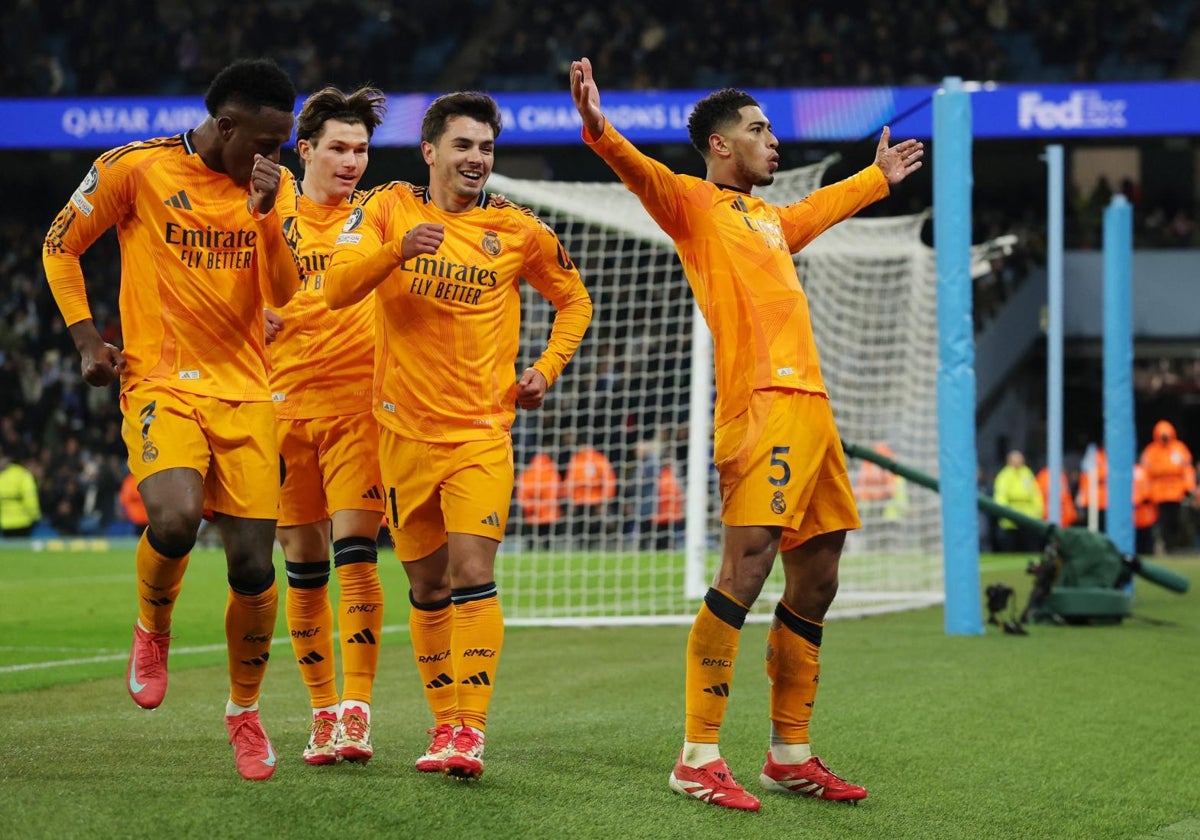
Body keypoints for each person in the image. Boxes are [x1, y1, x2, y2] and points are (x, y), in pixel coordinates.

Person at [570, 56, 924, 811]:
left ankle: (789, 753)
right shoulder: (693, 204)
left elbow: (812, 213)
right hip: (758, 407)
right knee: (747, 567)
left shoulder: (768, 220)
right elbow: (637, 171)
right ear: (721, 145)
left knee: (820, 575)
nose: (774, 142)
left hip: (812, 407)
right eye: (759, 130)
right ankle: (697, 755)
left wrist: (876, 178)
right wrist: (598, 127)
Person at [42, 58, 302, 781]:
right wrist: (88, 338)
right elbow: (60, 245)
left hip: (247, 392)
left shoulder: (275, 190)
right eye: (266, 142)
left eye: (282, 145)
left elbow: (286, 291)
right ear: (226, 126)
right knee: (176, 519)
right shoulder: (137, 169)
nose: (274, 157)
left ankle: (244, 714)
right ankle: (152, 628)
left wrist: (266, 216)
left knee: (254, 565)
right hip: (162, 382)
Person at [323, 91, 593, 780]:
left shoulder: (519, 230)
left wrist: (544, 369)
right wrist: (394, 252)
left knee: (473, 574)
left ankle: (470, 729)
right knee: (427, 587)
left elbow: (574, 300)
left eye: (487, 148)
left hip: (479, 432)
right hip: (399, 433)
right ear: (431, 151)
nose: (477, 158)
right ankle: (443, 725)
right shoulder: (387, 208)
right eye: (465, 146)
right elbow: (336, 288)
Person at [267, 86, 388, 766]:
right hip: (279, 411)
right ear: (304, 148)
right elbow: (222, 274)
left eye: (361, 149)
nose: (351, 162)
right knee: (304, 570)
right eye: (338, 148)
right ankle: (319, 713)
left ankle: (357, 712)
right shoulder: (270, 204)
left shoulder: (376, 212)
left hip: (357, 410)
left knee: (356, 558)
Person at [1139, 420, 1196, 553]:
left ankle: (1178, 546)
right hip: (1158, 494)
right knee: (1162, 523)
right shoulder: (1151, 451)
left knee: (1179, 521)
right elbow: (1145, 474)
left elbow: (1187, 470)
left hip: (1177, 493)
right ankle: (1166, 546)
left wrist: (1189, 488)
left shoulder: (1179, 448)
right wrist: (1146, 494)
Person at [563, 440, 618, 548]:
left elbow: (569, 482)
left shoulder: (578, 460)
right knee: (590, 527)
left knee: (585, 527)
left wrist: (570, 500)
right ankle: (594, 548)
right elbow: (609, 481)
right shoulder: (598, 459)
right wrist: (605, 500)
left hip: (585, 501)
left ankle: (586, 547)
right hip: (593, 501)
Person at [992, 450, 1044, 553]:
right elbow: (1001, 495)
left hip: (1028, 517)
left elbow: (1035, 494)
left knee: (1029, 548)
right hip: (1010, 521)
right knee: (1011, 549)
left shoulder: (1027, 473)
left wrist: (1038, 511)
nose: (1018, 462)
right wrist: (1006, 512)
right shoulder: (1004, 475)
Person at [515, 449, 564, 550]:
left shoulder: (527, 474)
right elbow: (555, 494)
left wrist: (531, 506)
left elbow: (521, 494)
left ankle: (530, 549)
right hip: (548, 513)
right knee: (548, 540)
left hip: (531, 514)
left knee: (531, 539)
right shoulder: (552, 473)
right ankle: (548, 550)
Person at [0, 448, 41, 537]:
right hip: (23, 521)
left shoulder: (2, 475)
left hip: (5, 522)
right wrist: (35, 516)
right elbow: (30, 498)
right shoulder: (23, 474)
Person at [1037, 464, 1079, 529]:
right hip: (1048, 517)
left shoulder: (1061, 476)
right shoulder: (1044, 476)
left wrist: (1071, 514)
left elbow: (1066, 497)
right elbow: (1039, 496)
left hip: (1062, 518)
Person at [117, 470, 149, 536]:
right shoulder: (130, 480)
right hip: (135, 520)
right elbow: (125, 499)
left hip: (148, 519)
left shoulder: (148, 478)